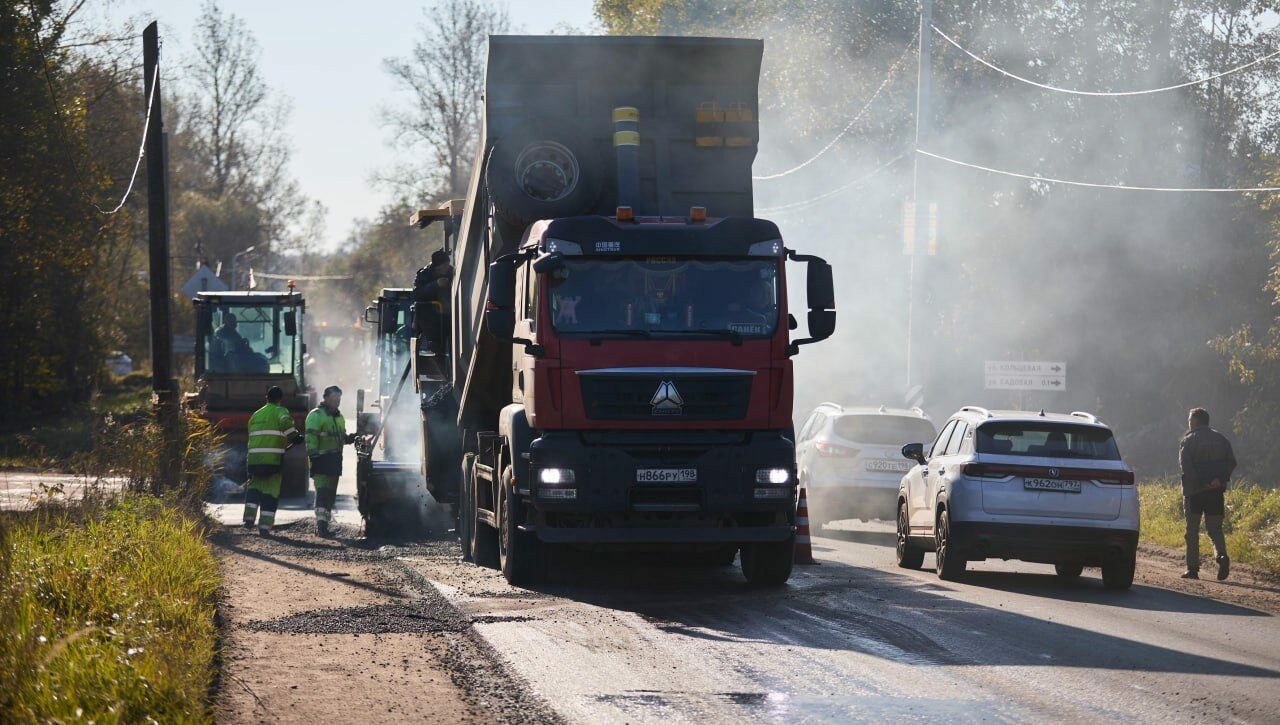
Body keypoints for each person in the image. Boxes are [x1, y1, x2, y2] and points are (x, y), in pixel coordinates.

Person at [1178, 407, 1237, 580]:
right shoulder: (1221, 439)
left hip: (1194, 492)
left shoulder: (1188, 440)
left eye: (1190, 421)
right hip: (1216, 492)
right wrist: (1220, 479)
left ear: (1194, 422)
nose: (1189, 424)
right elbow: (1231, 462)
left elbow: (1186, 466)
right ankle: (1222, 556)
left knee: (1192, 531)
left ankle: (1192, 569)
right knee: (1215, 529)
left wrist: (1200, 482)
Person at [242, 386, 300, 535]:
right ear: (280, 399)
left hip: (254, 459)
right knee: (270, 491)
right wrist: (296, 437)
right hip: (272, 460)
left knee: (254, 487)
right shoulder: (281, 412)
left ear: (266, 397)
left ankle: (249, 518)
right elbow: (288, 428)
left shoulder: (256, 415)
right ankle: (264, 527)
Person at [305, 385, 357, 536]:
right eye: (334, 398)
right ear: (325, 398)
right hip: (321, 460)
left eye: (339, 398)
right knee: (322, 493)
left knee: (330, 495)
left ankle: (325, 526)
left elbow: (342, 439)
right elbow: (310, 439)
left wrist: (354, 437)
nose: (337, 401)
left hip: (334, 461)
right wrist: (314, 458)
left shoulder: (339, 418)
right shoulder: (315, 415)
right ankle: (321, 527)